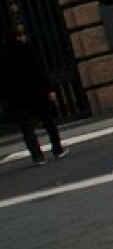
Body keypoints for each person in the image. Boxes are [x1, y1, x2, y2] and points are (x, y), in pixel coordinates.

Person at [0, 30, 66, 165]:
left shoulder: (3, 55)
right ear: (18, 37)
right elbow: (39, 71)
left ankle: (37, 156)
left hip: (17, 96)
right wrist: (49, 89)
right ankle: (57, 149)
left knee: (27, 128)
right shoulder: (27, 50)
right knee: (48, 122)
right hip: (37, 92)